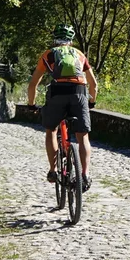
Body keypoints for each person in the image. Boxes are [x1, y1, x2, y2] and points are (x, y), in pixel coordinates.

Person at [27, 24, 98, 191]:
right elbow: (93, 84)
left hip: (57, 93)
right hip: (79, 93)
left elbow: (33, 84)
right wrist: (92, 101)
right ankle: (85, 175)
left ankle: (53, 170)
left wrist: (31, 104)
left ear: (55, 38)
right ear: (71, 40)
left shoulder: (49, 54)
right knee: (83, 137)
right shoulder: (80, 55)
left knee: (51, 130)